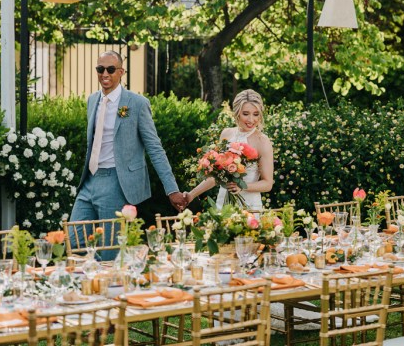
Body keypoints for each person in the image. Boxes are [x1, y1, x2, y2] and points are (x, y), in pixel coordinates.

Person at [70, 50, 187, 259]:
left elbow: (154, 147)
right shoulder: (92, 100)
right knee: (74, 243)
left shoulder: (136, 103)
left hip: (116, 181)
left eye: (110, 69)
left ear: (121, 72)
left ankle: (112, 289)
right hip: (89, 181)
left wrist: (172, 189)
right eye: (100, 69)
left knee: (109, 253)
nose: (104, 74)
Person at [185, 89, 274, 211]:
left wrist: (242, 186)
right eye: (246, 114)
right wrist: (191, 195)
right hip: (223, 203)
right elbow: (216, 177)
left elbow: (267, 184)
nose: (251, 120)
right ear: (237, 113)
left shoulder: (262, 141)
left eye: (256, 114)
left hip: (248, 206)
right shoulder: (226, 134)